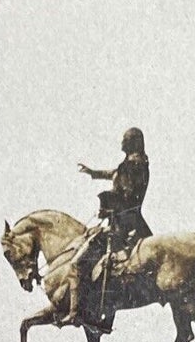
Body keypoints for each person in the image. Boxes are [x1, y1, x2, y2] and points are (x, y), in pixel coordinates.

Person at [63, 127, 152, 327]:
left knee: (77, 263)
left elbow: (127, 195)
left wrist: (108, 203)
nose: (121, 143)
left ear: (132, 142)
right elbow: (114, 174)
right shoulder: (138, 163)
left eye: (125, 139)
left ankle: (75, 312)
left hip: (121, 225)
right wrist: (93, 172)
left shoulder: (131, 165)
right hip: (134, 223)